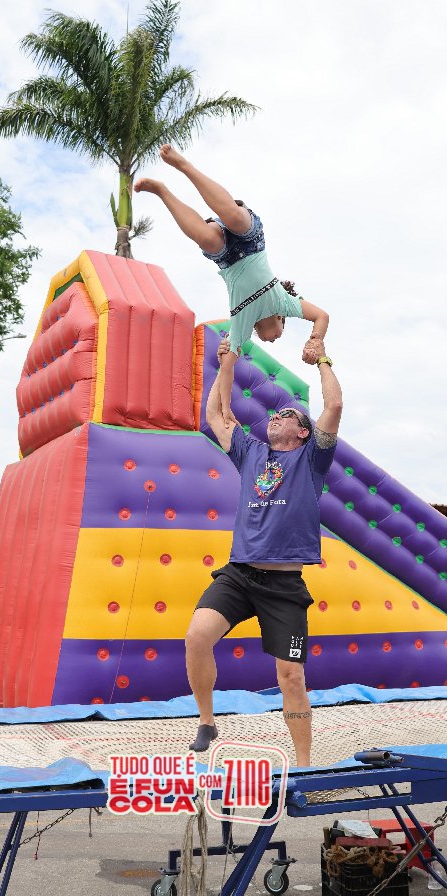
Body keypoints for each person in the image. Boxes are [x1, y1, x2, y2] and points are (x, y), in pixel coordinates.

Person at [184, 339, 342, 765]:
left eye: (286, 415)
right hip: (239, 575)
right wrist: (227, 362)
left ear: (303, 432)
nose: (275, 416)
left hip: (284, 585)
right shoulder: (251, 452)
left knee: (291, 676)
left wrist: (322, 358)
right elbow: (215, 415)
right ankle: (207, 721)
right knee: (197, 636)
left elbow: (334, 405)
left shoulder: (312, 459)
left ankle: (304, 765)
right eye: (274, 414)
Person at [134, 145, 329, 426]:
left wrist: (226, 409)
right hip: (251, 242)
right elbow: (321, 315)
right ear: (281, 319)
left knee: (207, 238)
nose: (275, 339)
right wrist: (315, 339)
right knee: (235, 218)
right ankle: (183, 165)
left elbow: (226, 371)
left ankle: (162, 190)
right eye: (281, 333)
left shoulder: (241, 328)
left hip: (226, 258)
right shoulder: (283, 302)